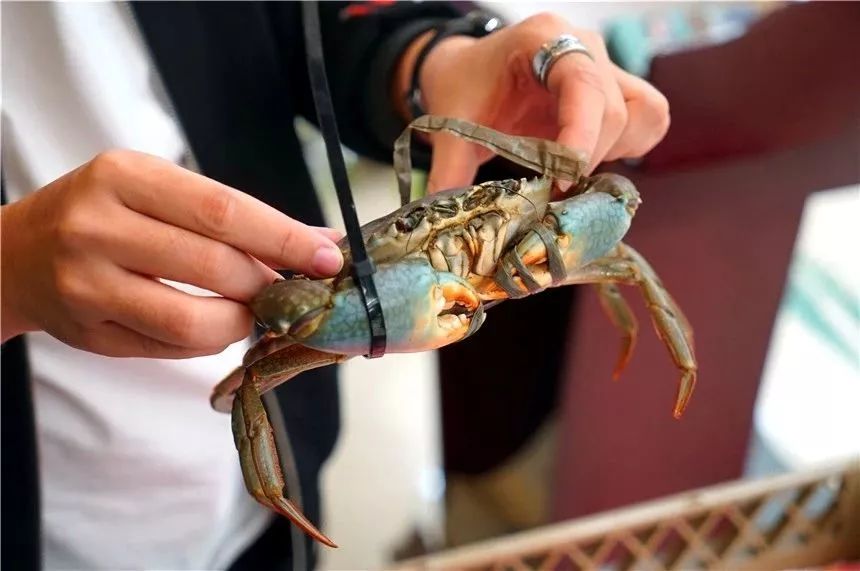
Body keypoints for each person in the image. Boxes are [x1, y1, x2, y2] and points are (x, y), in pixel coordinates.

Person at [0, 2, 670, 570]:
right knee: (252, 379)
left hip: (265, 516)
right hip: (48, 521)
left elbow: (309, 22)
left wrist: (434, 57)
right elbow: (253, 375)